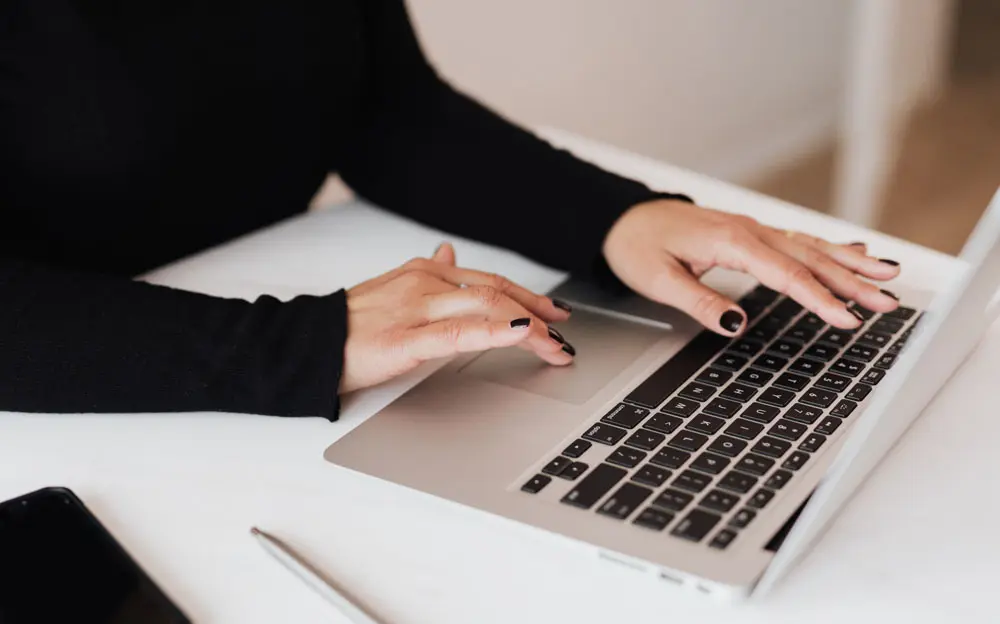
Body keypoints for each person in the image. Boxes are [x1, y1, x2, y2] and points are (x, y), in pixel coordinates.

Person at [1, 0, 901, 420]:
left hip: (253, 344)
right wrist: (306, 347)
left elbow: (380, 106)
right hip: (83, 404)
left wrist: (617, 220)